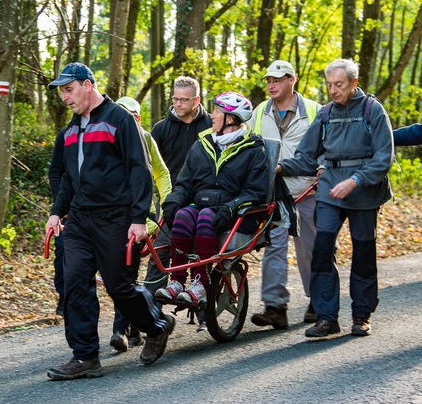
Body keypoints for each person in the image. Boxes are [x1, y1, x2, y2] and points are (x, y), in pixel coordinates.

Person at [45, 63, 175, 381]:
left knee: (120, 287)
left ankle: (156, 326)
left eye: (68, 89)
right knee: (74, 283)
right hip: (79, 221)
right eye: (61, 91)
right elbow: (67, 179)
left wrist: (139, 218)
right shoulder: (70, 131)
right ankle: (85, 357)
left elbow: (139, 169)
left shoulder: (119, 120)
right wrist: (56, 211)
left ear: (88, 85)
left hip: (116, 218)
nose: (64, 97)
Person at [277, 59, 393, 337]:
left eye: (339, 85)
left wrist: (356, 180)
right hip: (330, 190)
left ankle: (362, 315)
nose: (333, 90)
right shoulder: (326, 113)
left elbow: (383, 158)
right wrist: (280, 167)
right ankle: (326, 317)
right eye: (329, 85)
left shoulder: (372, 110)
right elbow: (306, 156)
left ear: (354, 83)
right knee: (321, 250)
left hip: (364, 192)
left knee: (363, 254)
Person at [154, 92, 268, 307]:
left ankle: (200, 282)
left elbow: (255, 192)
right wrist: (172, 201)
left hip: (235, 212)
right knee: (183, 215)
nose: (212, 116)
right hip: (203, 203)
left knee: (206, 217)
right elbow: (185, 182)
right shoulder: (202, 144)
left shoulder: (253, 149)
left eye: (217, 111)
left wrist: (231, 207)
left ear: (231, 118)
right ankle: (177, 281)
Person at [248, 60, 322, 329]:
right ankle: (275, 307)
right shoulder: (258, 112)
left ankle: (318, 301)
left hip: (306, 192)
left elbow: (325, 147)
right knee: (273, 249)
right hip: (272, 195)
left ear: (293, 80)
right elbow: (250, 149)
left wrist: (323, 172)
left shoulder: (315, 111)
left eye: (277, 79)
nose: (271, 84)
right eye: (269, 79)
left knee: (311, 250)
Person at [145, 76, 212, 329]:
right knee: (160, 253)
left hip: (203, 199)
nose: (178, 104)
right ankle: (150, 315)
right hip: (170, 201)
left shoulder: (211, 125)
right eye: (175, 99)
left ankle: (204, 309)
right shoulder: (162, 129)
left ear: (197, 100)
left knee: (202, 252)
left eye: (184, 99)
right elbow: (150, 167)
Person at [109, 96, 172, 352]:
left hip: (142, 219)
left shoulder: (146, 138)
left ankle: (124, 330)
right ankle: (128, 331)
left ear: (138, 118)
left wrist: (168, 207)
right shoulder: (108, 140)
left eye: (131, 117)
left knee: (127, 275)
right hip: (115, 218)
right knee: (123, 274)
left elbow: (161, 173)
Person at [48, 127, 67, 315]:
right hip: (66, 209)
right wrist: (60, 207)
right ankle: (64, 297)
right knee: (62, 252)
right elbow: (55, 171)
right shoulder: (65, 134)